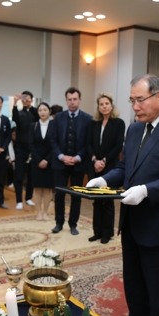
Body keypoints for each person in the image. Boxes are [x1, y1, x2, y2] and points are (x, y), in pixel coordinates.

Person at [87, 74, 159, 316]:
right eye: (132, 101)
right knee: (134, 288)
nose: (135, 107)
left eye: (140, 100)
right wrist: (105, 179)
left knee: (158, 293)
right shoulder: (135, 128)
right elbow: (125, 167)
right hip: (132, 223)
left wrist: (147, 190)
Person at [50, 87, 92, 235]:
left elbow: (88, 142)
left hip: (78, 164)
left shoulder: (88, 119)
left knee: (76, 196)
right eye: (69, 99)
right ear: (66, 100)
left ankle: (73, 224)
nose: (72, 102)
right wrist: (61, 156)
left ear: (79, 100)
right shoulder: (58, 117)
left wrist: (77, 158)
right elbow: (53, 141)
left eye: (75, 99)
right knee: (59, 195)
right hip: (60, 163)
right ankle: (59, 223)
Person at [86, 93, 125, 244]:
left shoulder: (118, 123)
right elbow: (88, 143)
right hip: (94, 166)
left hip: (110, 167)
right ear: (98, 107)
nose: (104, 106)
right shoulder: (93, 123)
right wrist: (95, 160)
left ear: (111, 105)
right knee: (96, 200)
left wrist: (104, 160)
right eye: (101, 104)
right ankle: (97, 232)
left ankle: (107, 233)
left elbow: (118, 146)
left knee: (107, 201)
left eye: (106, 103)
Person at [12, 91, 39, 210]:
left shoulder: (35, 112)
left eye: (28, 98)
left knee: (32, 175)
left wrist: (30, 106)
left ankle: (28, 197)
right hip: (20, 147)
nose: (26, 100)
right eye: (24, 98)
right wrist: (14, 103)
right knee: (19, 174)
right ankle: (19, 200)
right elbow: (15, 118)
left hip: (33, 148)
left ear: (32, 100)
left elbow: (39, 116)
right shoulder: (19, 113)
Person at [29, 103, 55, 220]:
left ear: (49, 111)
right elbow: (31, 145)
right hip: (36, 161)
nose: (43, 112)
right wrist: (39, 160)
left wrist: (47, 160)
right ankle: (38, 212)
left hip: (50, 162)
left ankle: (45, 212)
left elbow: (55, 144)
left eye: (45, 110)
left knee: (48, 188)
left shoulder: (54, 125)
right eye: (40, 110)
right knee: (38, 188)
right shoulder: (33, 126)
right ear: (38, 112)